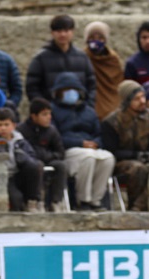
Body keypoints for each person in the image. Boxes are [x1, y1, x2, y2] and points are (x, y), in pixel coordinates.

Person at [102, 80, 149, 211]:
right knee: (138, 169)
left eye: (143, 97)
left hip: (145, 158)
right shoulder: (112, 122)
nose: (143, 101)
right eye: (137, 98)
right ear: (127, 100)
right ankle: (135, 207)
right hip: (121, 163)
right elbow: (111, 151)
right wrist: (135, 155)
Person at [51, 71, 114, 210]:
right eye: (67, 90)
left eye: (74, 90)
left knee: (108, 158)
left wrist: (95, 143)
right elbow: (55, 136)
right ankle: (83, 200)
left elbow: (98, 133)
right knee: (88, 158)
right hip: (69, 150)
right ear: (59, 92)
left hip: (91, 148)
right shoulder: (53, 111)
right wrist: (80, 144)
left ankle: (96, 200)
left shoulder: (89, 112)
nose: (71, 93)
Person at [26, 14, 97, 109]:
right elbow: (32, 88)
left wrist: (87, 107)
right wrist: (44, 109)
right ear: (52, 33)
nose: (62, 34)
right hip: (51, 115)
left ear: (72, 32)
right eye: (58, 31)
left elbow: (92, 85)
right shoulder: (40, 58)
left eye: (66, 31)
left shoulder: (82, 57)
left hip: (79, 112)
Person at [18, 97, 68, 212]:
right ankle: (36, 201)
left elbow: (61, 152)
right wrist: (42, 155)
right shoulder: (22, 130)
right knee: (37, 166)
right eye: (44, 114)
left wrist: (47, 156)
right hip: (29, 163)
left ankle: (56, 202)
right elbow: (25, 151)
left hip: (49, 159)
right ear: (34, 116)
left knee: (60, 166)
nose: (48, 118)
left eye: (49, 114)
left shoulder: (52, 131)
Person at [84, 21, 123, 120]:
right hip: (91, 108)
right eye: (92, 38)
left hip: (112, 109)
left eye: (100, 38)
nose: (96, 41)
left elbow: (117, 84)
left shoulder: (113, 60)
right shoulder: (83, 58)